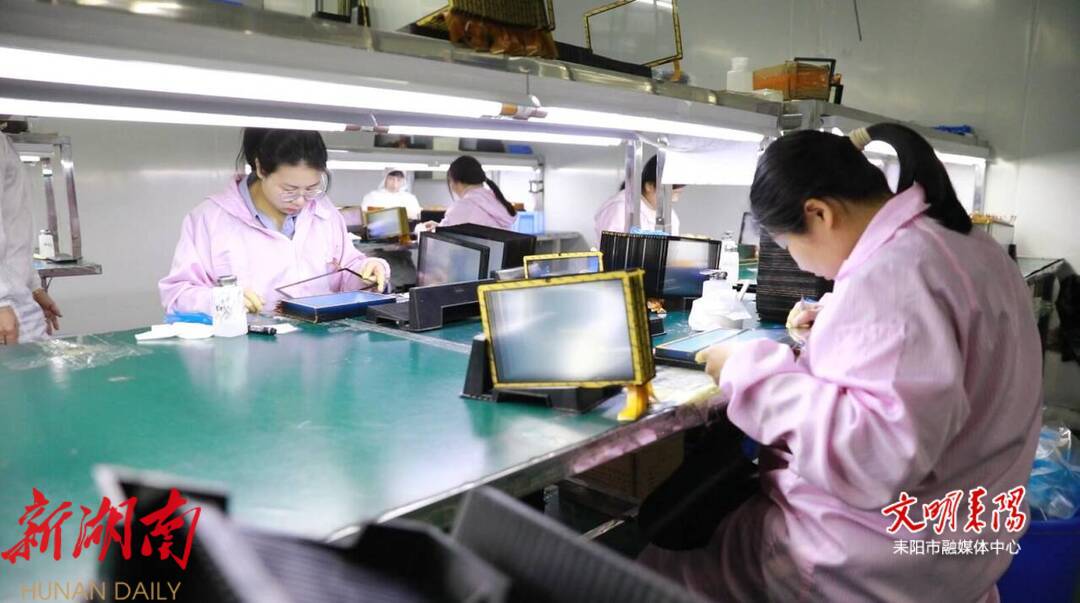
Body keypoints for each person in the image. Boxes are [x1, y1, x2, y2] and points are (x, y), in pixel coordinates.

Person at [643, 124, 1042, 602]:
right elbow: (933, 347)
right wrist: (837, 323)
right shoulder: (968, 245)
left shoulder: (891, 275)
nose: (801, 265)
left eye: (790, 246)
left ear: (819, 213)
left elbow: (874, 455)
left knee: (660, 566)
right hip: (965, 546)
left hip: (865, 561)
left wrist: (747, 371)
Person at [160, 129, 390, 315]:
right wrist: (221, 300)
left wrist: (366, 271)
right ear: (261, 168)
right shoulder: (209, 219)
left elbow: (345, 270)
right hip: (247, 349)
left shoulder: (324, 212)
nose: (301, 200)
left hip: (320, 348)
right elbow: (177, 295)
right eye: (289, 189)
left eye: (311, 188)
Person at [0, 131, 61, 345]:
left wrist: (33, 287)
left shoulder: (3, 142)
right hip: (8, 312)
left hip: (15, 301)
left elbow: (14, 230)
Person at [594, 155, 686, 241]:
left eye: (678, 194)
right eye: (671, 194)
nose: (675, 199)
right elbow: (611, 246)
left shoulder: (669, 215)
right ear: (649, 186)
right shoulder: (620, 208)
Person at [417, 155, 516, 231]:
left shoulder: (462, 207)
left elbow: (441, 244)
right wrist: (441, 227)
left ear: (455, 182)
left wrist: (421, 229)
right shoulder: (494, 199)